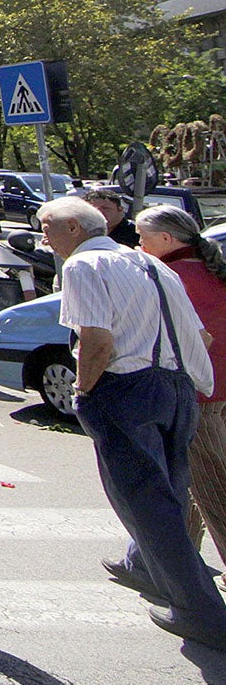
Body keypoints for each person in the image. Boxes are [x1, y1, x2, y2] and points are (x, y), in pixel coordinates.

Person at [42, 194, 226, 651]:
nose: (43, 239)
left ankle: (202, 614)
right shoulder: (153, 266)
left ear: (73, 229)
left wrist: (83, 391)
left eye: (47, 228)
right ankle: (142, 563)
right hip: (179, 389)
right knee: (169, 491)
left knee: (148, 503)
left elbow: (96, 340)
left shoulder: (83, 267)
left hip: (128, 389)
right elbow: (199, 336)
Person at [135, 205, 226, 572]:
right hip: (217, 390)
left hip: (199, 395)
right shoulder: (209, 269)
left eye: (142, 237)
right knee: (186, 480)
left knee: (213, 488)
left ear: (166, 239)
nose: (138, 244)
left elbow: (191, 341)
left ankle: (166, 566)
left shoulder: (169, 276)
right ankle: (165, 565)